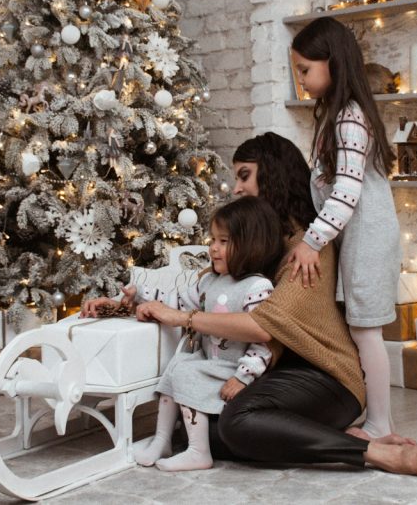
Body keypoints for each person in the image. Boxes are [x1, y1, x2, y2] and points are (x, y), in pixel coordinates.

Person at [86, 132, 417, 480]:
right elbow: (200, 289)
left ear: (274, 176)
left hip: (324, 377)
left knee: (235, 423)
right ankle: (311, 435)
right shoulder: (252, 242)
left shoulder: (308, 247)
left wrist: (184, 319)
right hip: (265, 374)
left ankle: (377, 454)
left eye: (245, 175)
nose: (237, 188)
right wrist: (123, 303)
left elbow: (263, 326)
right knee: (200, 429)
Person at [85, 196, 281, 471]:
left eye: (223, 242)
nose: (213, 248)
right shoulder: (209, 280)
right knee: (177, 366)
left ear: (251, 244)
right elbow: (176, 303)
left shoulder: (257, 287)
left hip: (231, 368)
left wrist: (242, 377)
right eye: (212, 240)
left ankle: (198, 451)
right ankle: (163, 439)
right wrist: (140, 294)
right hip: (209, 363)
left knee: (188, 374)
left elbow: (264, 342)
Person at [285, 17, 402, 441]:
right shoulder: (336, 114)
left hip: (368, 239)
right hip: (358, 238)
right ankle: (372, 416)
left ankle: (380, 424)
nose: (300, 80)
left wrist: (311, 242)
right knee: (360, 327)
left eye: (305, 69)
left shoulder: (349, 118)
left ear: (332, 63)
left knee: (366, 328)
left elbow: (347, 192)